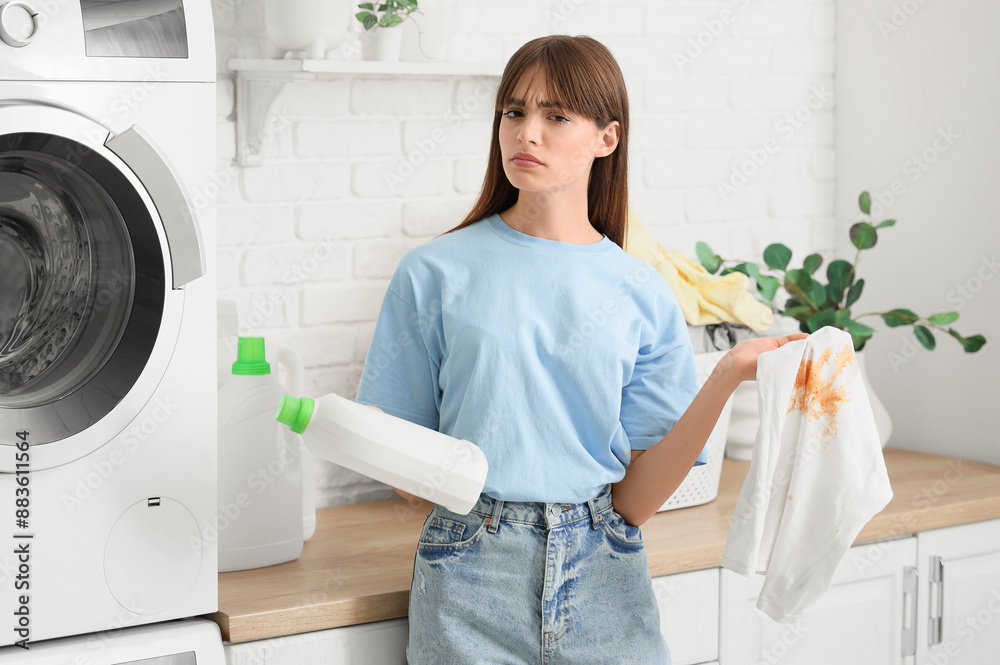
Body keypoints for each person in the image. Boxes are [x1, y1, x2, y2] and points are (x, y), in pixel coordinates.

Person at [355, 34, 806, 664]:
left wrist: (730, 372)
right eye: (514, 112)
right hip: (467, 575)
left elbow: (637, 501)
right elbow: (401, 469)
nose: (526, 133)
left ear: (607, 137)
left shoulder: (642, 293)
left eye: (556, 116)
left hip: (605, 577)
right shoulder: (434, 272)